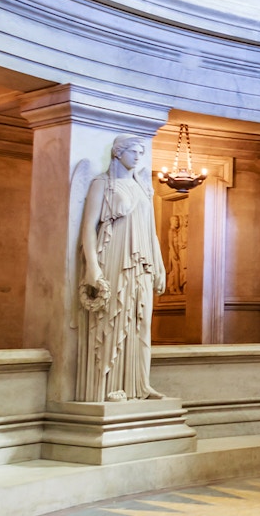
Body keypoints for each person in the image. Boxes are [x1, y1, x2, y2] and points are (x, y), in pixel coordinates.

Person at [77, 135, 166, 402]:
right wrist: (92, 267)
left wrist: (160, 265)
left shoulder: (142, 186)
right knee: (116, 317)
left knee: (142, 322)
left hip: (142, 261)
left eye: (141, 152)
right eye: (133, 151)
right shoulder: (102, 184)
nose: (139, 157)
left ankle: (140, 384)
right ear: (118, 153)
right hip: (115, 257)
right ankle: (110, 386)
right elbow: (88, 229)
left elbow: (152, 230)